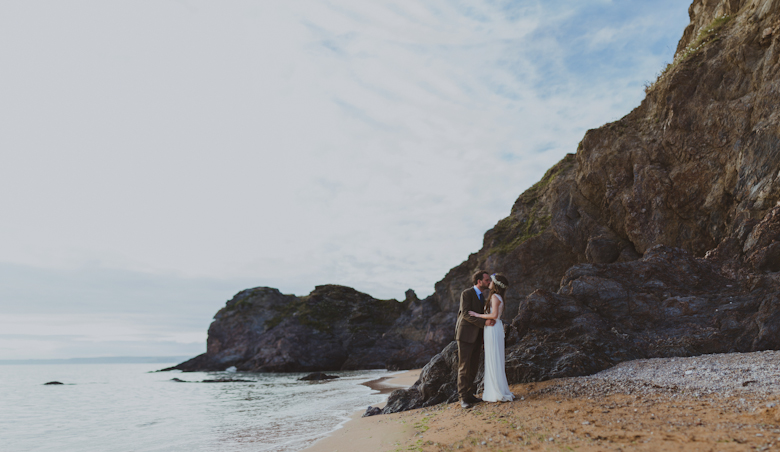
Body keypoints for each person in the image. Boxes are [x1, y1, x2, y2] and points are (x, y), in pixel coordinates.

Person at [469, 273, 514, 402]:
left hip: (493, 328)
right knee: (494, 357)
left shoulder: (495, 296)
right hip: (495, 328)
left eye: (491, 281)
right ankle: (497, 389)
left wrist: (477, 315)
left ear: (496, 284)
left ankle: (497, 391)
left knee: (493, 357)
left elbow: (493, 315)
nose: (489, 283)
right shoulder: (498, 296)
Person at [455, 270, 495, 409]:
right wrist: (484, 323)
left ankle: (470, 394)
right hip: (465, 335)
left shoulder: (482, 297)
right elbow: (465, 314)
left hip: (477, 336)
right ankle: (463, 398)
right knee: (464, 367)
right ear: (479, 281)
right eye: (486, 280)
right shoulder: (466, 293)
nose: (489, 282)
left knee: (473, 366)